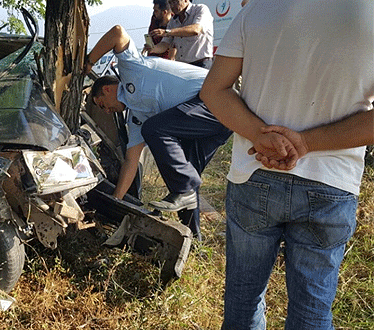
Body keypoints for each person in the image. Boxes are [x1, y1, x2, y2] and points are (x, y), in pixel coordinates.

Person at [199, 0, 374, 328]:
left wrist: (258, 134)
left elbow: (214, 90)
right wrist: (308, 143)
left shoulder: (256, 9)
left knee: (243, 300)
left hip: (255, 173)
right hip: (332, 182)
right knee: (312, 311)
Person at [84, 25, 232, 240]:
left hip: (217, 98)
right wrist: (115, 201)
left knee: (155, 131)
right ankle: (193, 237)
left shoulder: (131, 69)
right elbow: (130, 161)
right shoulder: (135, 116)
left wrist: (89, 61)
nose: (107, 111)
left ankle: (186, 192)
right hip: (210, 122)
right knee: (184, 179)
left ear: (106, 89)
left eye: (102, 104)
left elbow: (118, 33)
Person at [147, 0, 213, 68]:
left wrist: (168, 32)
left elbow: (196, 29)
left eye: (175, 1)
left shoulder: (200, 9)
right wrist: (152, 49)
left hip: (202, 63)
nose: (172, 6)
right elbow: (165, 44)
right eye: (170, 3)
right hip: (182, 66)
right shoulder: (173, 21)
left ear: (185, 0)